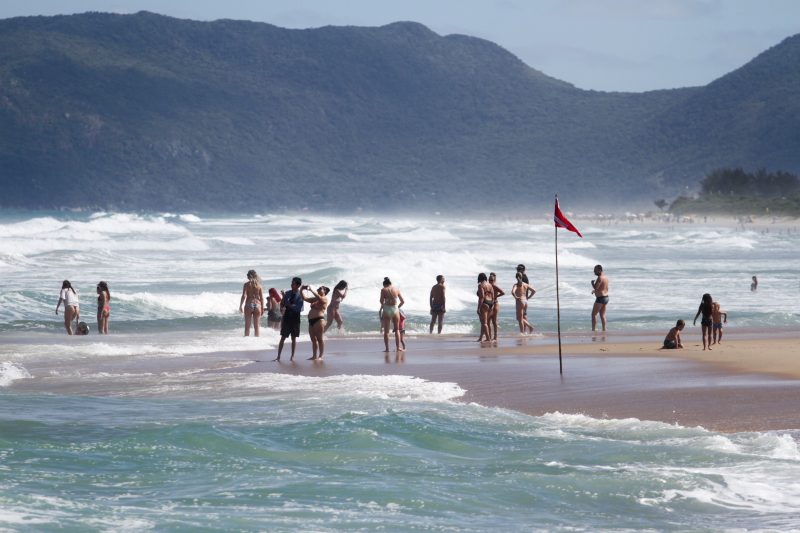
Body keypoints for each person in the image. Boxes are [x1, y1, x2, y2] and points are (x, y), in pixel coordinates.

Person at [274, 277, 304, 361]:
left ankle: (292, 356)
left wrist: (288, 304)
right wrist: (282, 307)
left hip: (295, 318)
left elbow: (298, 308)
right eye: (291, 283)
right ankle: (278, 356)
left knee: (293, 338)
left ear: (298, 285)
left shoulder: (300, 295)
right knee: (283, 337)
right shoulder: (287, 293)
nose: (291, 284)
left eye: (293, 283)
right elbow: (282, 304)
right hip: (287, 317)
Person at [301, 285, 330, 360]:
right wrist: (301, 290)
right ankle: (314, 356)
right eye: (318, 288)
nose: (318, 289)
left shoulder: (324, 299)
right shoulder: (315, 299)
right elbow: (305, 298)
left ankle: (320, 356)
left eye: (320, 289)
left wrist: (311, 290)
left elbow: (320, 298)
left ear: (325, 291)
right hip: (311, 321)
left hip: (319, 320)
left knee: (320, 339)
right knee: (313, 340)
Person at [380, 277, 405, 351]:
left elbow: (381, 301)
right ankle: (398, 347)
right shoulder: (396, 289)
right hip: (395, 309)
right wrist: (397, 307)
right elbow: (402, 301)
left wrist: (384, 305)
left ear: (384, 284)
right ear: (390, 283)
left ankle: (387, 348)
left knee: (386, 332)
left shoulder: (383, 290)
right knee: (397, 330)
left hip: (387, 309)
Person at [238, 270, 264, 337]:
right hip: (258, 305)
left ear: (248, 276)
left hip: (249, 304)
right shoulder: (259, 286)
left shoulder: (246, 285)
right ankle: (257, 343)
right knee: (257, 327)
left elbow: (244, 295)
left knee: (247, 326)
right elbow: (261, 298)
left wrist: (240, 305)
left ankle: (247, 343)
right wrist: (262, 308)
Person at [591, 264, 609, 331]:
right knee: (602, 315)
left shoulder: (600, 278)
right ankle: (604, 329)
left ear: (600, 270)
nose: (594, 272)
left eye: (595, 271)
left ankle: (594, 330)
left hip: (600, 299)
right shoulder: (606, 277)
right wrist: (594, 291)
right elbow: (603, 288)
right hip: (606, 297)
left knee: (593, 315)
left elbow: (596, 287)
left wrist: (592, 283)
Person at [476, 273, 494, 342]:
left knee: (484, 323)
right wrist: (492, 305)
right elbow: (493, 296)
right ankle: (481, 337)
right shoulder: (490, 285)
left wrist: (478, 308)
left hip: (484, 303)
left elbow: (482, 297)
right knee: (484, 322)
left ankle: (488, 338)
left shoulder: (481, 285)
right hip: (490, 303)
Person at [488, 272, 506, 339]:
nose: (490, 281)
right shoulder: (490, 285)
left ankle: (494, 336)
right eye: (489, 280)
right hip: (492, 304)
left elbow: (503, 292)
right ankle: (491, 337)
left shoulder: (494, 286)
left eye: (491, 280)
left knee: (493, 321)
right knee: (490, 321)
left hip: (494, 304)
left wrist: (495, 296)